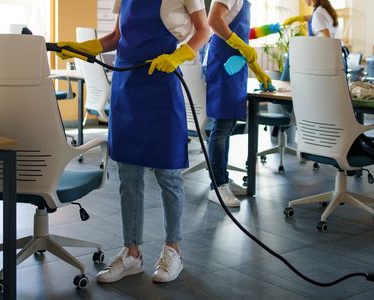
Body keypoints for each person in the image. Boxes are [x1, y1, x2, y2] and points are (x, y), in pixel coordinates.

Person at [56, 0, 209, 283]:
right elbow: (116, 37)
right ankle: (132, 254)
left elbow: (204, 30)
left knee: (168, 173)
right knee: (128, 174)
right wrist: (84, 47)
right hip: (126, 87)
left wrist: (179, 55)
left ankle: (173, 250)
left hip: (162, 84)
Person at [206, 0, 272, 208]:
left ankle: (223, 179)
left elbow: (242, 33)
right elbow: (214, 20)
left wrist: (259, 71)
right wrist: (241, 45)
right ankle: (217, 185)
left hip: (234, 65)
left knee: (229, 125)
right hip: (224, 62)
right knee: (222, 126)